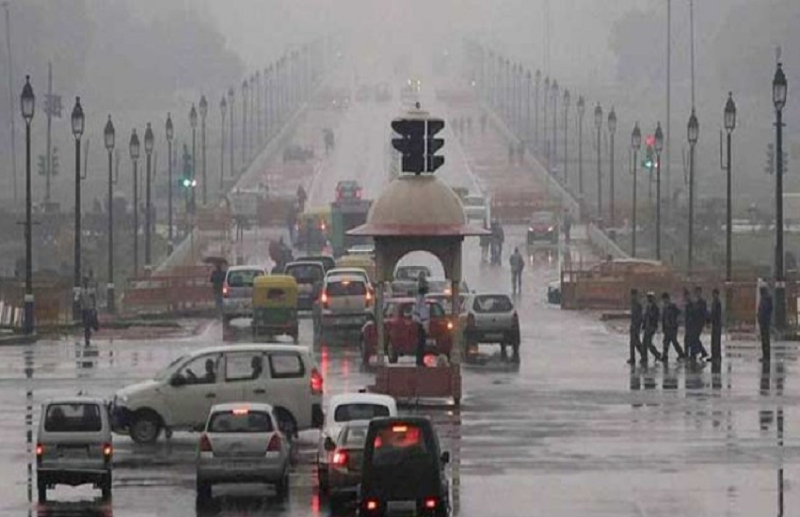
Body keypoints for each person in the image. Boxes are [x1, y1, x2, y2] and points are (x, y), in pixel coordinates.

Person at [412, 274, 431, 367]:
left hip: (418, 322)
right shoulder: (422, 299)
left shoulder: (418, 298)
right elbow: (423, 314)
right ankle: (420, 361)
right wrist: (425, 326)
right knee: (421, 344)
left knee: (420, 343)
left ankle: (419, 360)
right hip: (421, 324)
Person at [661, 292, 685, 362]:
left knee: (674, 341)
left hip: (672, 327)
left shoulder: (672, 306)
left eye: (665, 299)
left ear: (668, 299)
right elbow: (663, 318)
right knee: (666, 342)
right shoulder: (665, 308)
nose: (664, 301)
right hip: (667, 328)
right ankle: (665, 355)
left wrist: (675, 321)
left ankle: (681, 353)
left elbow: (679, 312)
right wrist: (663, 327)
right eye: (664, 299)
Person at [642, 292, 663, 364]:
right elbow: (645, 317)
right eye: (648, 297)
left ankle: (657, 354)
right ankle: (644, 358)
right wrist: (644, 325)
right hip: (647, 327)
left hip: (652, 327)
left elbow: (655, 317)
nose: (649, 299)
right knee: (645, 343)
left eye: (650, 297)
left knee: (648, 343)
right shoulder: (648, 307)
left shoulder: (655, 307)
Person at [76, 276, 98, 345]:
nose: (85, 283)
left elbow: (94, 300)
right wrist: (78, 303)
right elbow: (77, 299)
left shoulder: (91, 290)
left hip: (90, 309)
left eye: (86, 282)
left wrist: (94, 308)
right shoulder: (80, 291)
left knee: (87, 324)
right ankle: (87, 336)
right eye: (84, 282)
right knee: (85, 325)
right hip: (84, 309)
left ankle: (87, 338)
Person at [692, 286, 710, 361]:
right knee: (694, 338)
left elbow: (704, 312)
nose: (697, 294)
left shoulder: (702, 302)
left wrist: (707, 321)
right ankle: (701, 352)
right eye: (696, 292)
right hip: (695, 322)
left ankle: (700, 352)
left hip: (700, 322)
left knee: (695, 337)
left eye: (698, 292)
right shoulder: (695, 302)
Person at [628, 289, 644, 365]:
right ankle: (633, 358)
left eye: (634, 295)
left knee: (636, 343)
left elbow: (640, 317)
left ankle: (643, 356)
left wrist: (637, 325)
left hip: (636, 326)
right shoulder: (632, 304)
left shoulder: (638, 305)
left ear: (636, 295)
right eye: (632, 295)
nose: (632, 296)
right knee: (633, 343)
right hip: (633, 325)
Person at [758, 285, 773, 362]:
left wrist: (761, 318)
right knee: (765, 340)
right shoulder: (766, 298)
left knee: (765, 340)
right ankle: (765, 356)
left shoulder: (765, 299)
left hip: (764, 323)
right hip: (764, 322)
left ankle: (766, 356)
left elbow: (764, 311)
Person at [710, 288, 723, 364]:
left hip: (717, 324)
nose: (714, 295)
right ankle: (714, 355)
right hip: (714, 324)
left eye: (715, 294)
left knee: (717, 341)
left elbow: (717, 315)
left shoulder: (718, 303)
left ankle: (717, 356)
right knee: (713, 341)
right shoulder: (714, 303)